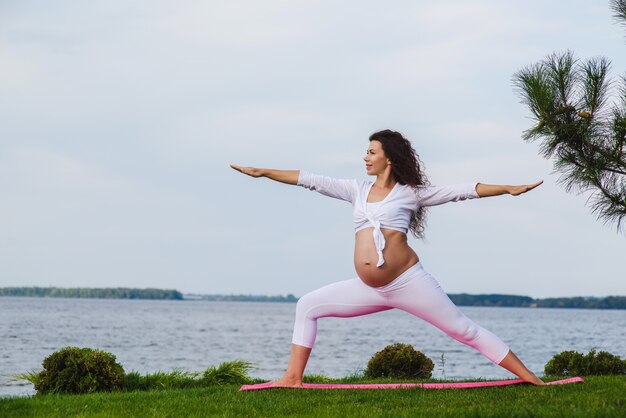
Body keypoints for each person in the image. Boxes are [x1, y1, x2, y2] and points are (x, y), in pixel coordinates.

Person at [230, 129, 545, 387]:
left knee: (464, 330)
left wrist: (507, 188)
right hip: (370, 288)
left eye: (371, 152)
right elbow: (312, 179)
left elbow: (460, 191)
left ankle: (531, 378)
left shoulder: (411, 193)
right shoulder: (356, 189)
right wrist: (263, 172)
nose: (365, 157)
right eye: (366, 152)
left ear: (389, 158)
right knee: (306, 306)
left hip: (408, 282)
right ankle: (292, 378)